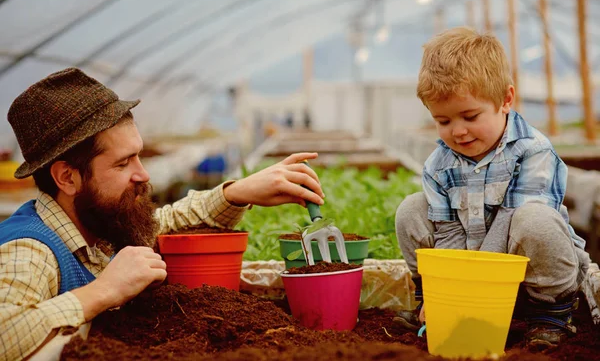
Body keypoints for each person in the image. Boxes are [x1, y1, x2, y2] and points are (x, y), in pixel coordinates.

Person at [0, 68, 325, 361]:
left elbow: (163, 222)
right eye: (123, 163)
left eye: (139, 156)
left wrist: (234, 193)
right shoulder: (29, 251)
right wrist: (104, 291)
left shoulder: (98, 222)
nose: (143, 174)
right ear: (67, 178)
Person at [394, 27, 590, 348]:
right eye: (443, 121)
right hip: (472, 277)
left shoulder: (533, 151)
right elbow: (448, 234)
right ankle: (431, 303)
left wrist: (470, 290)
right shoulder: (438, 165)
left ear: (506, 100)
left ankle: (550, 315)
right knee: (412, 210)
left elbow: (507, 224)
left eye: (470, 116)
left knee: (533, 220)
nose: (458, 131)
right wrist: (447, 290)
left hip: (530, 282)